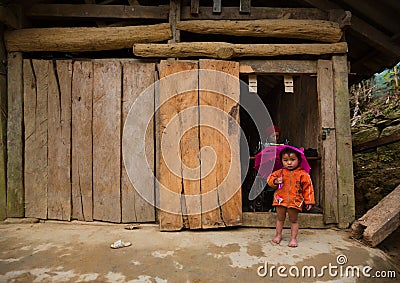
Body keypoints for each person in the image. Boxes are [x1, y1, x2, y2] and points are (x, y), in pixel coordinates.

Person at [267, 146, 315, 247]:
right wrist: (275, 181)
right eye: (285, 160)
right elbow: (270, 179)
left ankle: (293, 239)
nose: (289, 163)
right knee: (280, 219)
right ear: (282, 161)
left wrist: (309, 201)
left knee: (294, 220)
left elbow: (308, 188)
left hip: (295, 201)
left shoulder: (303, 174)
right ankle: (278, 235)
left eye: (292, 160)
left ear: (299, 160)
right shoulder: (279, 172)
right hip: (280, 200)